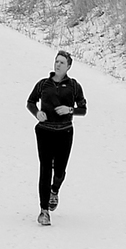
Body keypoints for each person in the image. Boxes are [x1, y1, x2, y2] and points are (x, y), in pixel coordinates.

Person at [27, 48, 86, 224]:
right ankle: (44, 211)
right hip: (44, 131)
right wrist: (37, 113)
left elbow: (83, 109)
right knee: (45, 169)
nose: (58, 64)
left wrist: (70, 110)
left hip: (65, 132)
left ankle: (55, 190)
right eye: (56, 61)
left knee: (59, 170)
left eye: (62, 62)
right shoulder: (43, 84)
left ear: (68, 66)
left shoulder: (74, 86)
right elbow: (30, 102)